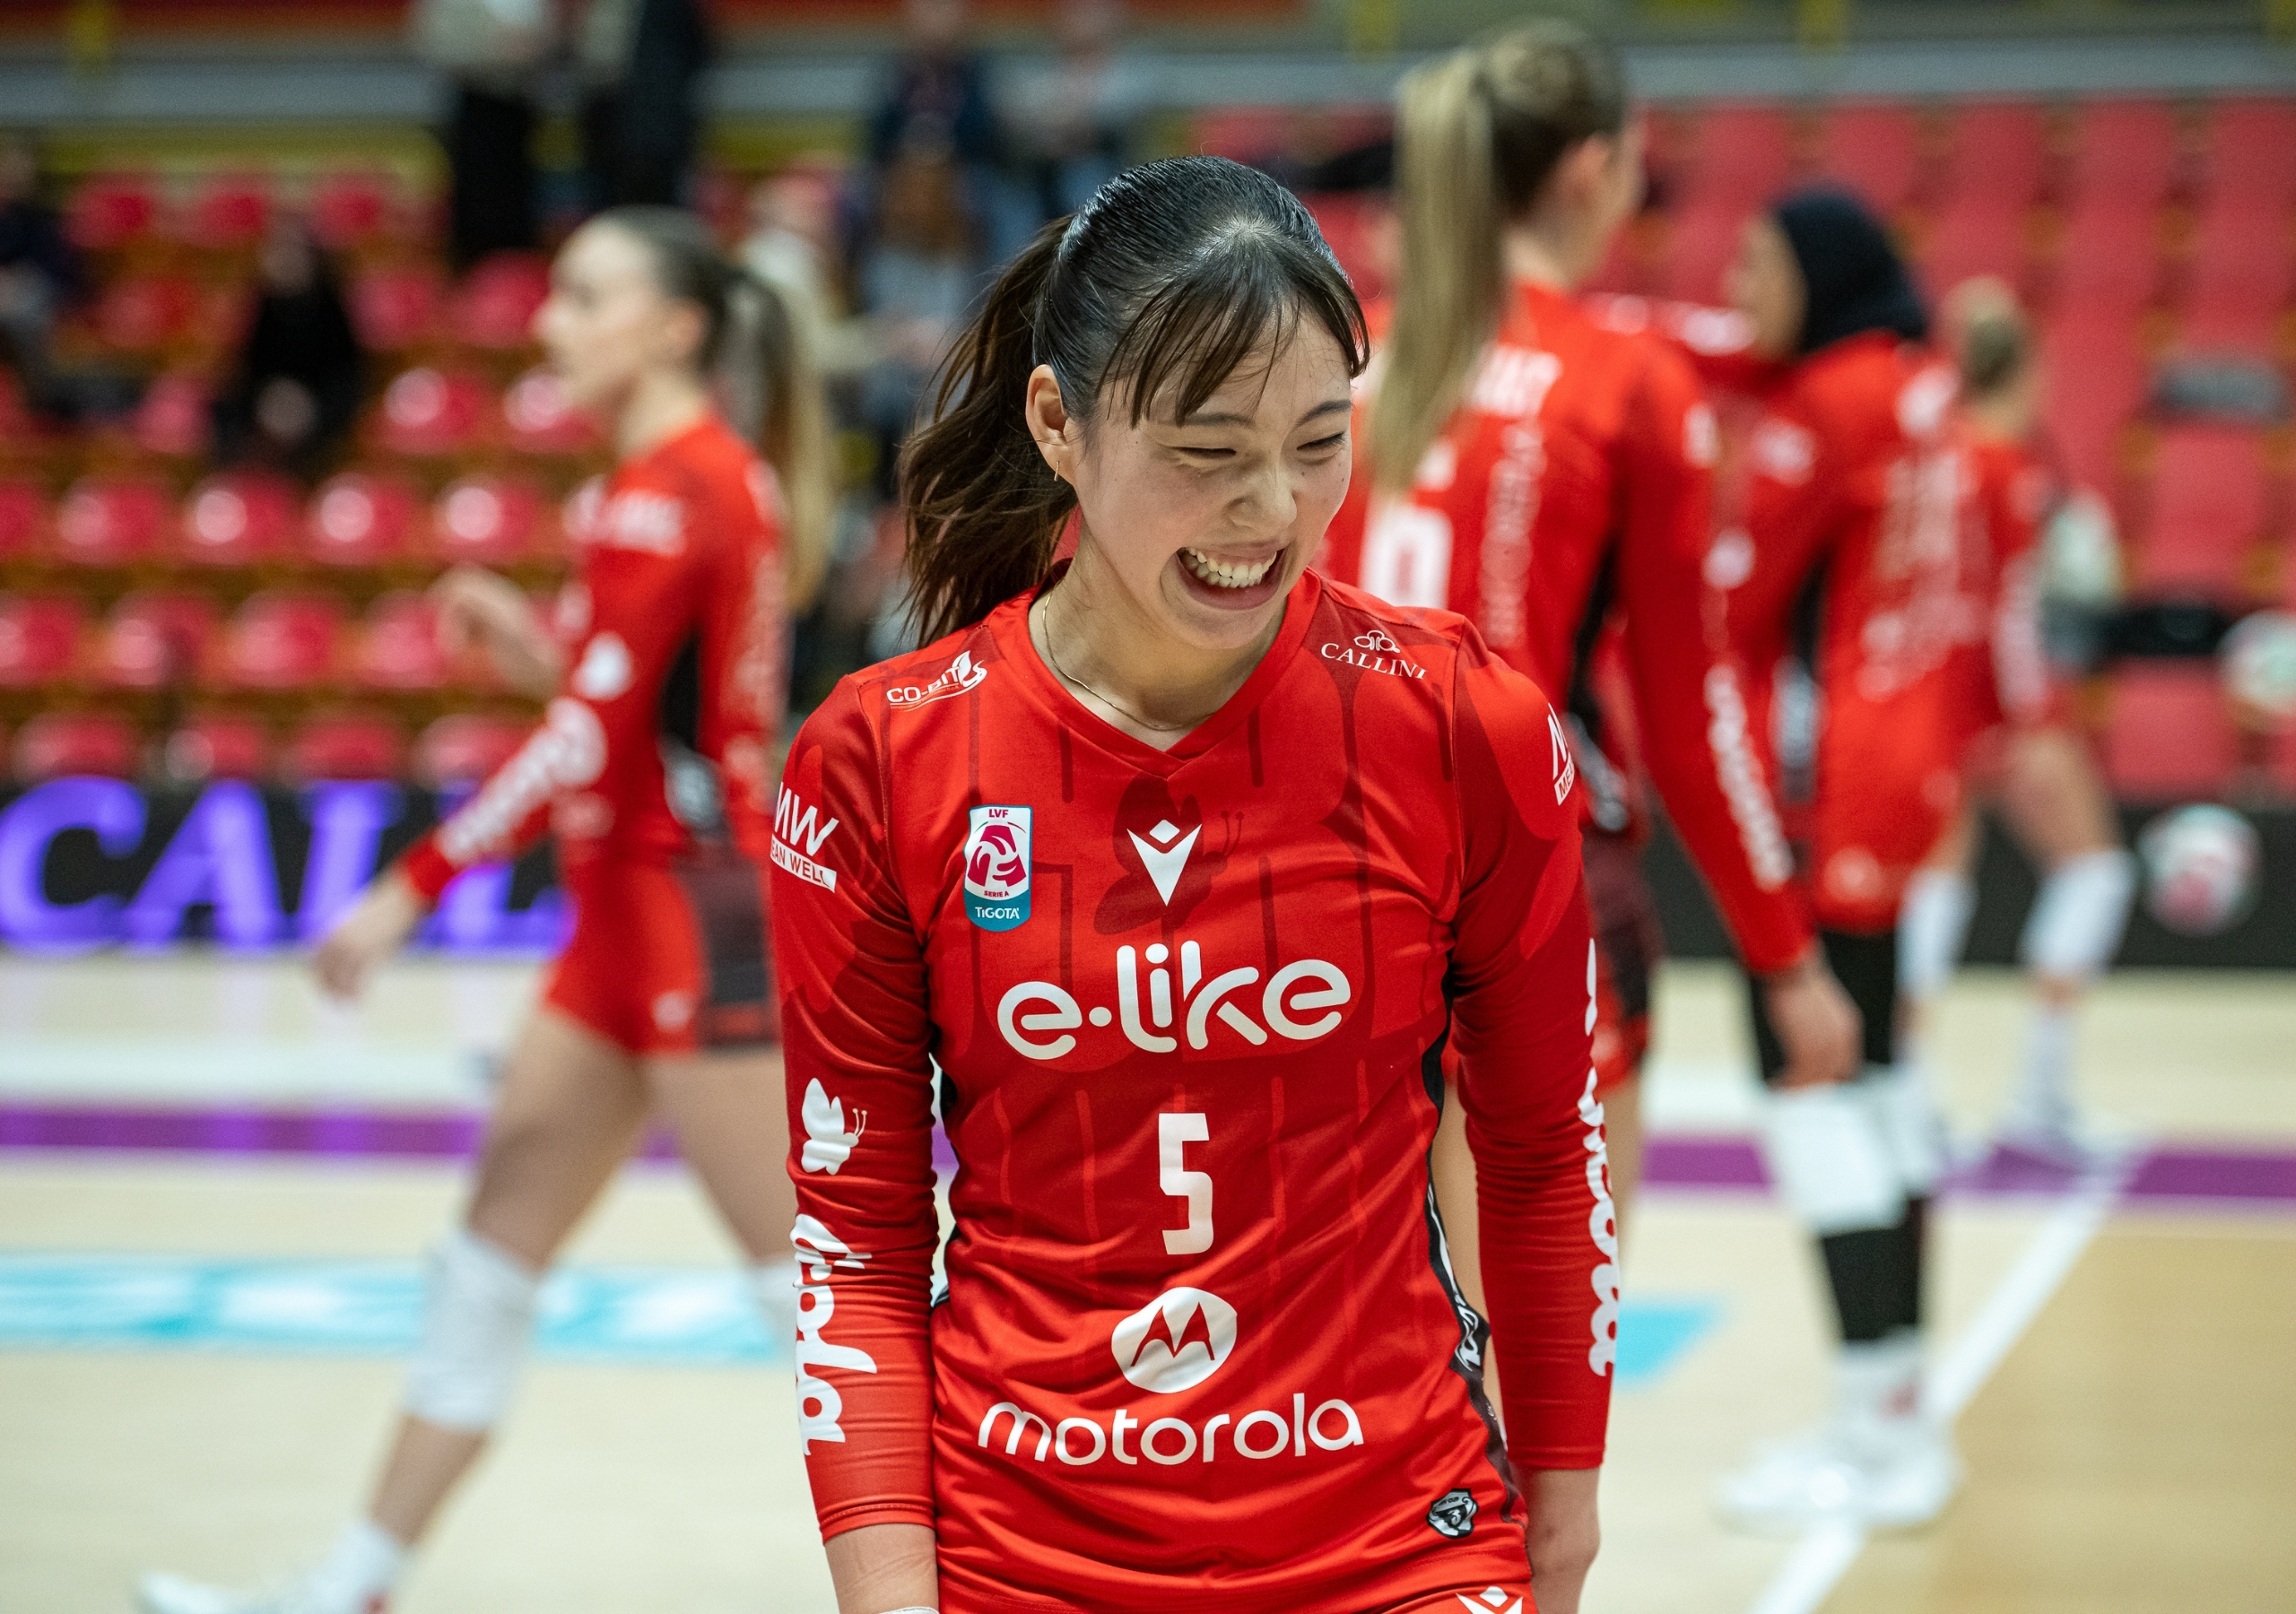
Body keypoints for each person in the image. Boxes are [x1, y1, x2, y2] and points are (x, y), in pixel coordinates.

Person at [773, 156, 1613, 1614]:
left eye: (1319, 442)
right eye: (1208, 450)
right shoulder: (881, 759)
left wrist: (1564, 1506)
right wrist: (888, 1591)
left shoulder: (1464, 727)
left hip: (1397, 1542)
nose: (1270, 509)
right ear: (1059, 424)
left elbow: (1545, 1152)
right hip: (1022, 1554)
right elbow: (854, 1232)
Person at [137, 205, 831, 1614]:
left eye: (583, 297)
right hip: (626, 920)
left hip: (691, 920)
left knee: (815, 1304)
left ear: (673, 329)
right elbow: (643, 718)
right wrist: (547, 652)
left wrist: (408, 890)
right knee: (488, 1253)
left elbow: (590, 746)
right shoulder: (676, 481)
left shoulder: (674, 490)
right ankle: (352, 1585)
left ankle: (1001, 1571)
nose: (546, 324)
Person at [1319, 20, 1858, 1290]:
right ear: (1591, 169)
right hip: (1527, 892)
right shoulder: (1623, 381)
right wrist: (1784, 956)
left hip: (1307, 894)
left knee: (1353, 1349)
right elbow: (1692, 709)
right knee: (1537, 1356)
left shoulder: (1338, 354)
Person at [1692, 188, 1970, 1534]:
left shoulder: (1824, 409)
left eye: (1757, 261)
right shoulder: (1916, 385)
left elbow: (1729, 601)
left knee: (1812, 1097)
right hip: (1907, 769)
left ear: (1819, 271)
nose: (1735, 283)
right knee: (1880, 1090)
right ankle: (1899, 1413)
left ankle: (1874, 1438)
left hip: (1820, 792)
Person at [1897, 278, 2134, 1162]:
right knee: (2094, 870)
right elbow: (2011, 611)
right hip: (1990, 703)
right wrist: (2027, 720)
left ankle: (1915, 1101)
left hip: (1921, 698)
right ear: (2025, 369)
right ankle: (2040, 1092)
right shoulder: (2005, 468)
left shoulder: (1934, 457)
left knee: (1934, 895)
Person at [211, 218, 366, 483]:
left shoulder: (330, 306)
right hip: (266, 399)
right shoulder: (264, 304)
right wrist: (266, 400)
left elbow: (347, 371)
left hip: (321, 404)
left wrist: (312, 406)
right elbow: (248, 365)